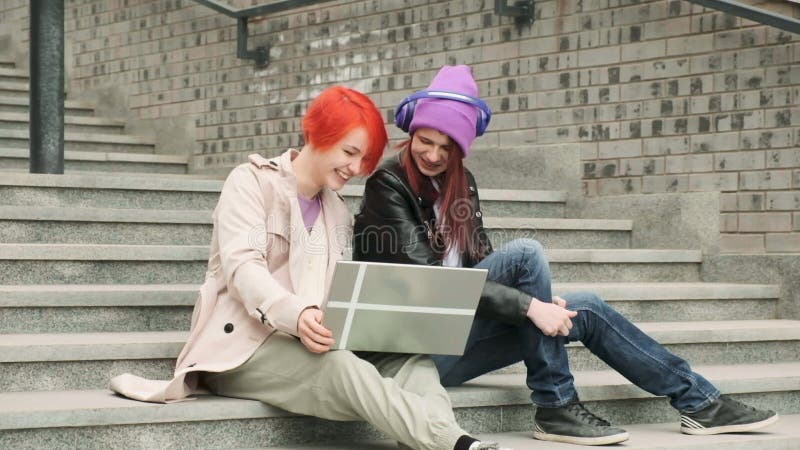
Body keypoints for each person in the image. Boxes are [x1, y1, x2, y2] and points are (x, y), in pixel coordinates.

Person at [352, 65, 779, 446]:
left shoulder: (461, 184)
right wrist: (527, 304)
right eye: (426, 142)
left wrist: (533, 302)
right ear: (411, 134)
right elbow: (430, 280)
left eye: (447, 148)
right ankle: (555, 403)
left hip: (455, 335)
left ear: (461, 149)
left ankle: (700, 402)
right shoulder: (387, 184)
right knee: (525, 254)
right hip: (409, 353)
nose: (433, 155)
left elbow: (479, 260)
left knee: (586, 308)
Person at [110, 86, 505, 450]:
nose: (355, 168)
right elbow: (243, 269)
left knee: (411, 360)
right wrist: (297, 315)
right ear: (318, 135)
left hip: (312, 340)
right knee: (341, 366)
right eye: (349, 153)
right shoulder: (250, 182)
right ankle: (457, 444)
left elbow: (331, 288)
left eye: (363, 159)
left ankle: (442, 441)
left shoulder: (335, 210)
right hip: (244, 346)